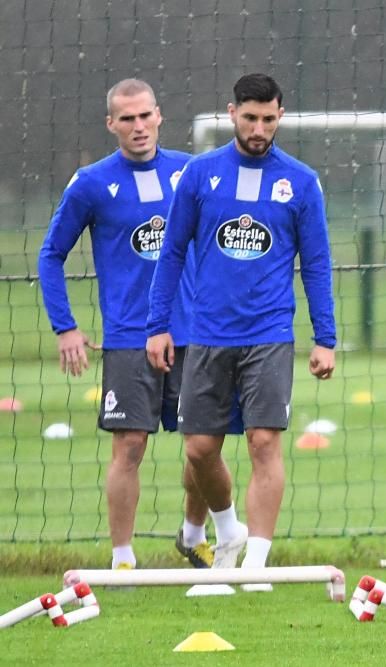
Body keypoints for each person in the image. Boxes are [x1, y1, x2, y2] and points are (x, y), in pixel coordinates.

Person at [37, 78, 237, 571]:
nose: (138, 126)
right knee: (129, 446)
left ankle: (194, 535)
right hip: (129, 337)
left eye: (145, 115)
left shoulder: (192, 173)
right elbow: (50, 255)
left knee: (202, 448)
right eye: (127, 118)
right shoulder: (90, 184)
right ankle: (123, 561)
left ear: (159, 115)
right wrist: (65, 327)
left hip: (195, 334)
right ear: (111, 124)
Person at [145, 73, 336, 585]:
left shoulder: (300, 182)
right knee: (199, 449)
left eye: (268, 119)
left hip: (270, 335)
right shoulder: (200, 175)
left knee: (263, 443)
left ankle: (255, 564)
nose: (258, 128)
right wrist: (157, 325)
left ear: (280, 117)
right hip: (206, 334)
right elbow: (172, 252)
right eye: (250, 117)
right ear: (232, 113)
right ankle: (228, 530)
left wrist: (326, 338)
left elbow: (316, 264)